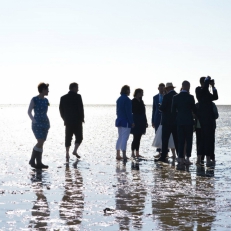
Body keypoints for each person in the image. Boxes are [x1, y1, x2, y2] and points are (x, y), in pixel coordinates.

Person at [172, 81, 197, 165]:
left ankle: (180, 158)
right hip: (189, 121)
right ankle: (187, 158)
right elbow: (194, 109)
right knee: (189, 140)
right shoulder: (190, 97)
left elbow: (173, 111)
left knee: (180, 140)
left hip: (179, 121)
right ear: (188, 87)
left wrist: (177, 118)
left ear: (182, 86)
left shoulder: (175, 97)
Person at [195, 76, 218, 166]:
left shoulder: (207, 91)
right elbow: (202, 93)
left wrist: (213, 87)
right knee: (202, 139)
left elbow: (215, 97)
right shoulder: (198, 90)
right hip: (202, 117)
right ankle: (199, 158)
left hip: (209, 118)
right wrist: (207, 81)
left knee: (207, 138)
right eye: (206, 83)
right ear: (203, 83)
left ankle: (207, 158)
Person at [59, 83, 84, 161]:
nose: (78, 89)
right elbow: (81, 108)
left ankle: (67, 153)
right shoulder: (78, 96)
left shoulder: (63, 98)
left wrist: (64, 118)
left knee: (68, 138)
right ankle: (75, 150)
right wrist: (82, 118)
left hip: (68, 121)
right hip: (77, 121)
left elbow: (61, 110)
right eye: (77, 88)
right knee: (79, 137)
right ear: (73, 88)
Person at [28, 83, 50, 169]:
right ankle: (32, 159)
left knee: (42, 143)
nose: (48, 91)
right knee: (40, 141)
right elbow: (29, 112)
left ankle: (39, 163)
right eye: (47, 89)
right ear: (43, 90)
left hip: (45, 123)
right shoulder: (34, 99)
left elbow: (46, 112)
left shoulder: (46, 100)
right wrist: (34, 121)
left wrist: (48, 124)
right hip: (36, 123)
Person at [155, 82, 178, 162]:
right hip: (175, 122)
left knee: (165, 140)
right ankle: (180, 156)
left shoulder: (166, 96)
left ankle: (163, 156)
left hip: (166, 122)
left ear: (167, 89)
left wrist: (159, 106)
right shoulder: (177, 95)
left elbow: (163, 108)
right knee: (176, 140)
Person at [115, 85, 135, 160]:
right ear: (126, 91)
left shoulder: (119, 99)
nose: (130, 92)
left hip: (119, 120)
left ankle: (118, 154)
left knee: (120, 137)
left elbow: (117, 111)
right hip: (125, 121)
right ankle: (124, 155)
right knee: (124, 138)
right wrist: (132, 122)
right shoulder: (127, 100)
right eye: (129, 90)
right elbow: (128, 112)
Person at [130, 89, 148, 158]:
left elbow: (144, 112)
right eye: (141, 93)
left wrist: (146, 121)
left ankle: (137, 153)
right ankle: (132, 153)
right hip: (136, 119)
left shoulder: (141, 101)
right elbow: (132, 111)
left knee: (139, 137)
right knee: (135, 137)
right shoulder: (133, 101)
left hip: (142, 120)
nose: (142, 94)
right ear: (137, 93)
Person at [152, 83, 165, 157]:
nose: (161, 89)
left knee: (165, 135)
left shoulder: (166, 96)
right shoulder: (155, 97)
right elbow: (154, 109)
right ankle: (159, 152)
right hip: (157, 118)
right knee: (157, 134)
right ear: (158, 88)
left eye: (163, 88)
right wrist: (153, 121)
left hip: (164, 118)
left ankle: (165, 151)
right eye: (160, 88)